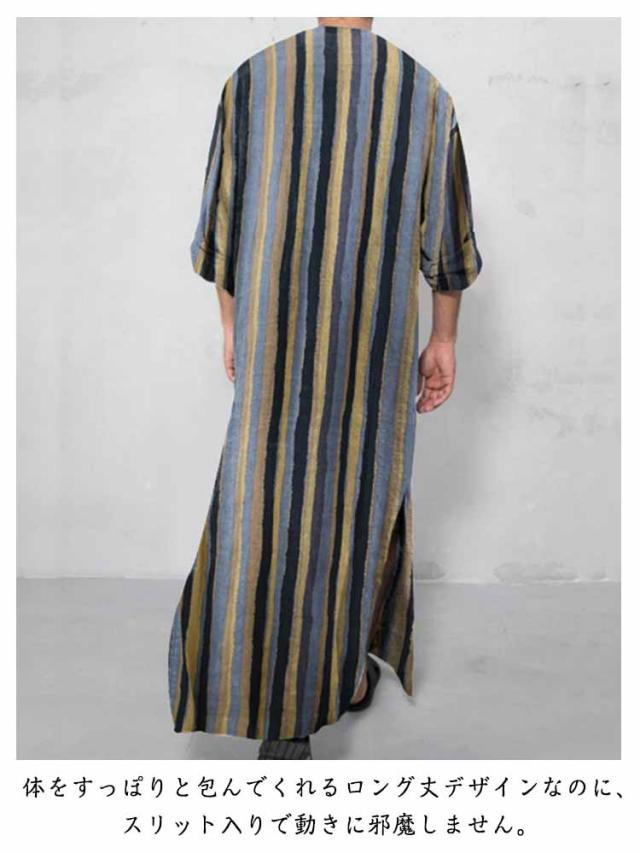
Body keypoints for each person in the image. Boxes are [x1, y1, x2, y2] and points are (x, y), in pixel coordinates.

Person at [168, 16, 483, 760]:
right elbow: (448, 247)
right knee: (354, 505)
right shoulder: (423, 92)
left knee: (270, 509)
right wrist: (444, 340)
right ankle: (299, 710)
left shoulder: (253, 81)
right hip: (372, 345)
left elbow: (222, 233)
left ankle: (311, 689)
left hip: (275, 341)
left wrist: (233, 327)